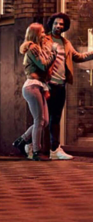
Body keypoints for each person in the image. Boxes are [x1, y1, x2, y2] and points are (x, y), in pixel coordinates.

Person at [37, 13, 93, 160]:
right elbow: (38, 62)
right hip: (47, 85)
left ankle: (54, 149)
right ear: (52, 24)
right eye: (56, 23)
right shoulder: (44, 40)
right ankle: (33, 145)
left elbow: (78, 57)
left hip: (61, 85)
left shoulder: (65, 42)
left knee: (55, 118)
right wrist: (43, 84)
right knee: (43, 119)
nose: (58, 26)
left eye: (61, 24)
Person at [13, 23, 55, 161]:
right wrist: (53, 55)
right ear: (36, 34)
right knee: (39, 120)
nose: (44, 34)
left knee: (45, 121)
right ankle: (36, 151)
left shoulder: (38, 48)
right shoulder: (33, 49)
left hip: (39, 86)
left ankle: (22, 140)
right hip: (32, 86)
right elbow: (43, 65)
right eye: (42, 32)